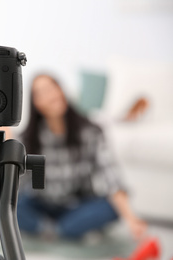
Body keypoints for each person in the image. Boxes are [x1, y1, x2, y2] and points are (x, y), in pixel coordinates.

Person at [17, 73, 147, 240]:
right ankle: (59, 230)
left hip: (77, 205)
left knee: (111, 208)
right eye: (41, 93)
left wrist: (132, 219)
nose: (49, 95)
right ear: (35, 103)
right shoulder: (28, 139)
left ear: (62, 91)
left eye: (52, 88)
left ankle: (52, 230)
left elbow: (111, 178)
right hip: (40, 204)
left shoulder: (91, 132)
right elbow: (16, 187)